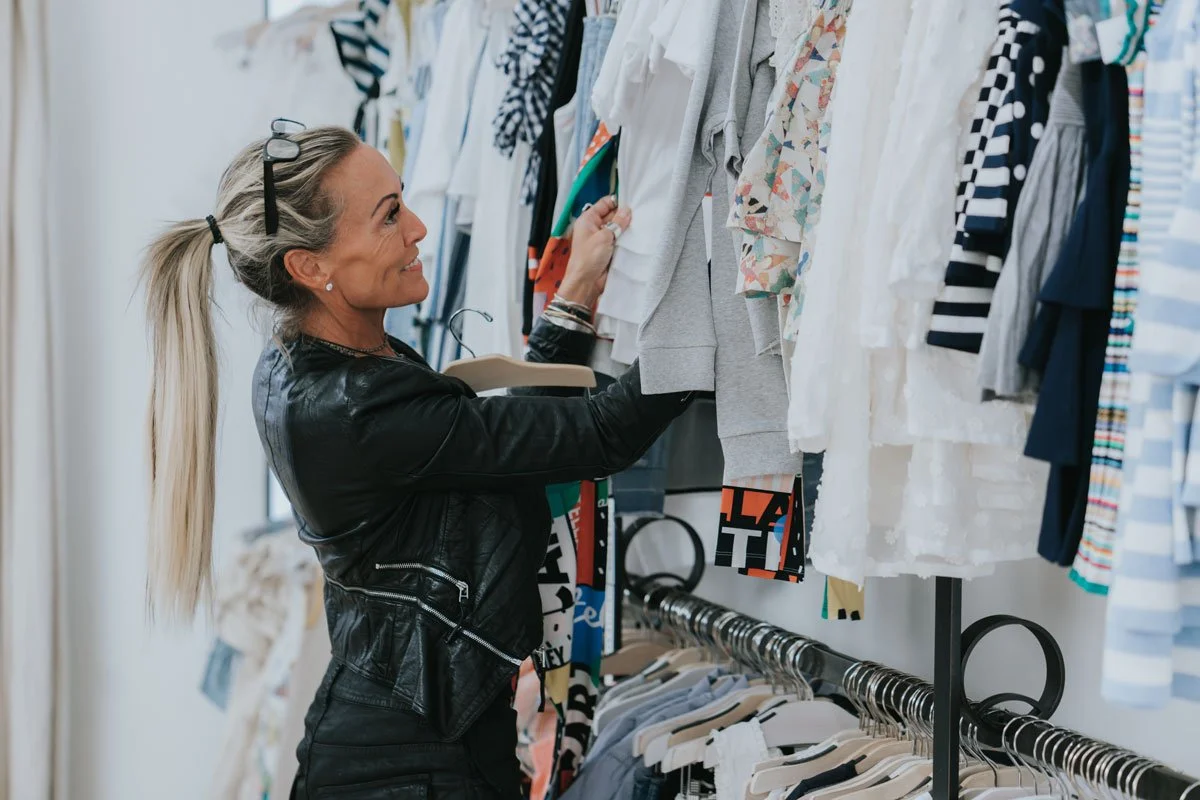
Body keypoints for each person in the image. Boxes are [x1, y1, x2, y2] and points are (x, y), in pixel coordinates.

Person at [140, 122, 691, 799]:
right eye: (390, 215)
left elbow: (492, 449)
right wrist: (706, 302)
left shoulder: (316, 369)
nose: (422, 228)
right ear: (310, 269)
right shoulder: (352, 405)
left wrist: (573, 297)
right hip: (408, 773)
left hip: (415, 746)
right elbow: (599, 434)